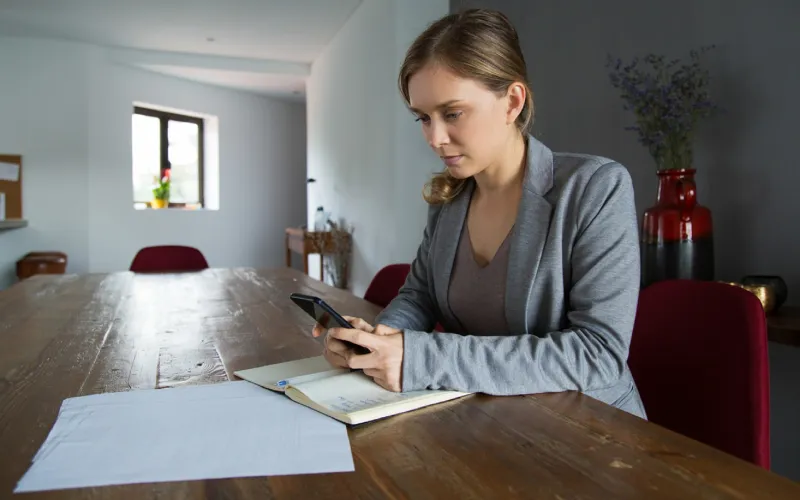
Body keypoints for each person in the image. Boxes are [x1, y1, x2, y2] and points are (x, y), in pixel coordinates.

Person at [312, 8, 646, 418]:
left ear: (512, 102)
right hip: (486, 426)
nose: (435, 138)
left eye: (452, 113)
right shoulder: (448, 201)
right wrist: (375, 341)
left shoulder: (596, 187)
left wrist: (422, 358)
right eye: (423, 118)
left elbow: (598, 353)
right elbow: (419, 298)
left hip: (590, 435)